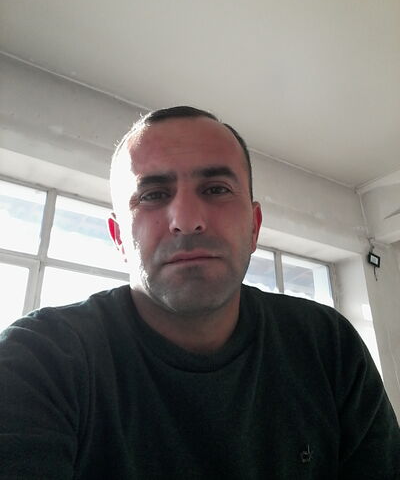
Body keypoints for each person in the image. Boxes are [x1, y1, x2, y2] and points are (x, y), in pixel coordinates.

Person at [0, 106, 399, 479]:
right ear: (119, 237)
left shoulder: (327, 345)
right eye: (153, 195)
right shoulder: (39, 359)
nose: (187, 221)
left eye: (216, 189)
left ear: (255, 226)